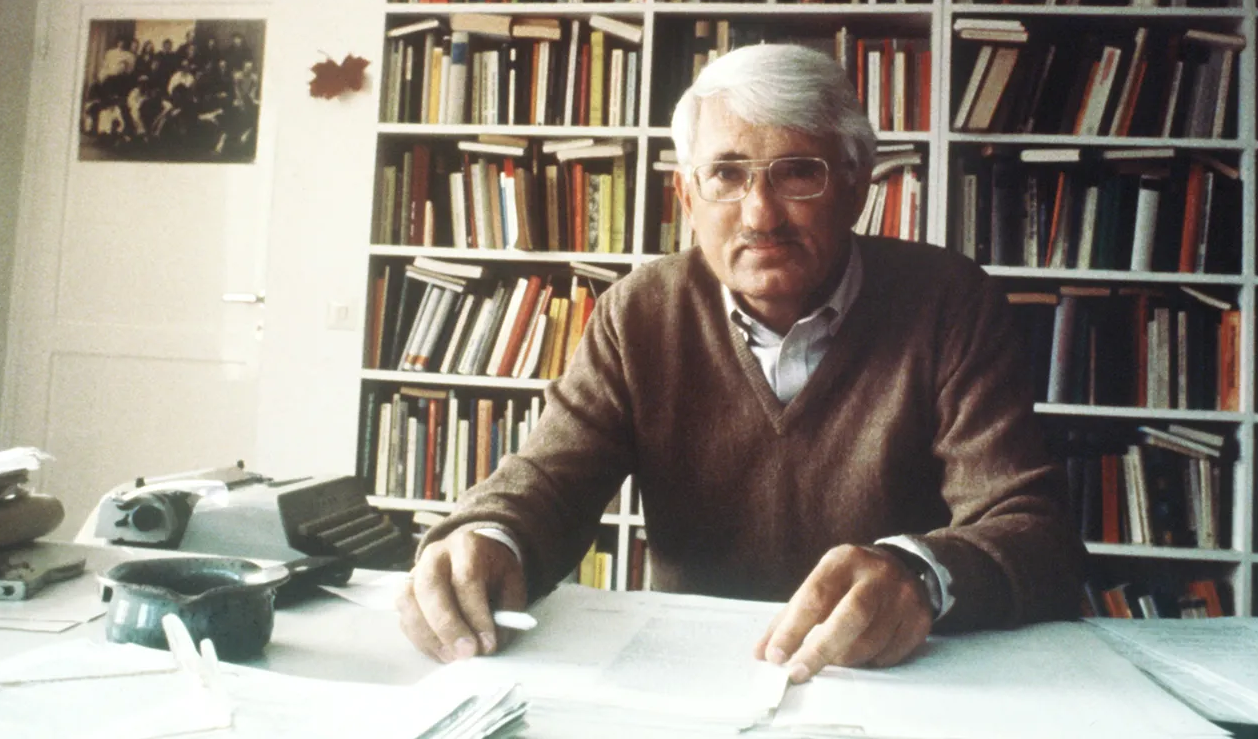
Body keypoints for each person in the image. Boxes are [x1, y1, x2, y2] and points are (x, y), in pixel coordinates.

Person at [397, 43, 1084, 682]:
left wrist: (923, 575)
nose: (760, 214)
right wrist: (490, 536)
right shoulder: (639, 313)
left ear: (857, 185)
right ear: (687, 196)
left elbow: (1034, 530)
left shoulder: (947, 300)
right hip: (696, 678)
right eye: (726, 174)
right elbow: (548, 479)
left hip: (902, 676)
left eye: (797, 173)